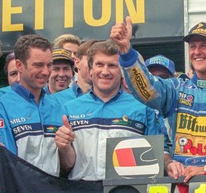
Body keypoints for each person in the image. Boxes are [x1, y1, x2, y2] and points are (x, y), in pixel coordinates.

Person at [111, 19, 206, 181]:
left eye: (204, 45)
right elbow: (147, 89)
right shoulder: (176, 88)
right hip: (180, 183)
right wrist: (126, 52)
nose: (197, 51)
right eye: (193, 46)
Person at [54, 40, 163, 181]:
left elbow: (153, 164)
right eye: (100, 65)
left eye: (112, 66)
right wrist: (64, 147)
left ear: (122, 71)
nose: (105, 72)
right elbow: (67, 166)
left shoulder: (143, 108)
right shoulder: (69, 108)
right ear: (91, 69)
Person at [0, 34, 63, 176]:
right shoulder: (0, 107)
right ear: (19, 66)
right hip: (20, 192)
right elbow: (5, 161)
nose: (46, 71)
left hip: (55, 192)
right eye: (38, 65)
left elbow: (66, 166)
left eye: (49, 65)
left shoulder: (57, 105)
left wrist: (66, 148)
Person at [53, 39, 97, 105]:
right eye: (91, 61)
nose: (96, 68)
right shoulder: (53, 100)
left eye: (100, 64)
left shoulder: (112, 99)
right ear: (77, 62)